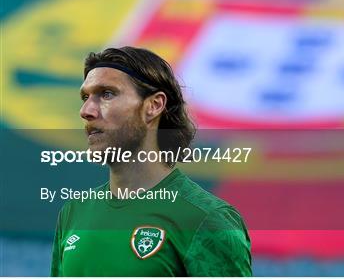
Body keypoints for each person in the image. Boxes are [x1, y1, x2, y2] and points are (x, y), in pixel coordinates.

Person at [50, 46, 252, 276]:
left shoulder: (206, 218)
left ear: (154, 106)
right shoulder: (74, 212)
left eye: (106, 94)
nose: (86, 110)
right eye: (85, 97)